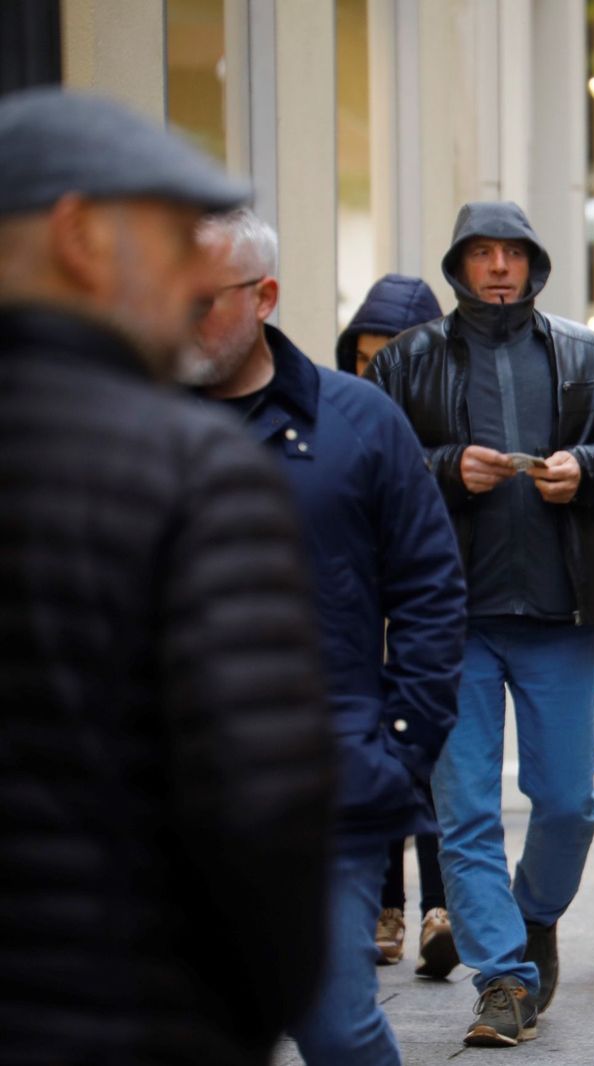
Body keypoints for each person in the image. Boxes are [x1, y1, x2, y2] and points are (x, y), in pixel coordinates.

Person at [0, 88, 334, 1066]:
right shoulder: (189, 468)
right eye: (178, 236)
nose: (200, 272)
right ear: (80, 239)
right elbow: (261, 812)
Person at [365, 200, 594, 1048]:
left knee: (569, 803)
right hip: (448, 620)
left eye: (512, 253)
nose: (498, 267)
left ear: (534, 265)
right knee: (463, 809)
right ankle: (501, 977)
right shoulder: (405, 363)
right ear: (459, 265)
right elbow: (365, 471)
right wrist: (441, 467)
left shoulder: (589, 353)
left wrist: (590, 467)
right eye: (482, 253)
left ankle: (535, 917)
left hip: (560, 612)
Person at [182, 208, 468, 1065]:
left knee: (334, 1022)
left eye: (205, 298)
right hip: (172, 784)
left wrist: (400, 747)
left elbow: (429, 590)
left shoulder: (360, 423)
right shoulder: (134, 422)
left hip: (328, 779)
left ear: (264, 296)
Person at [336, 273, 458, 977]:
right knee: (373, 750)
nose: (372, 374)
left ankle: (440, 908)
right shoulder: (333, 418)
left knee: (434, 760)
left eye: (388, 357)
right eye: (363, 358)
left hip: (428, 613)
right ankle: (386, 904)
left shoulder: (447, 415)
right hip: (361, 612)